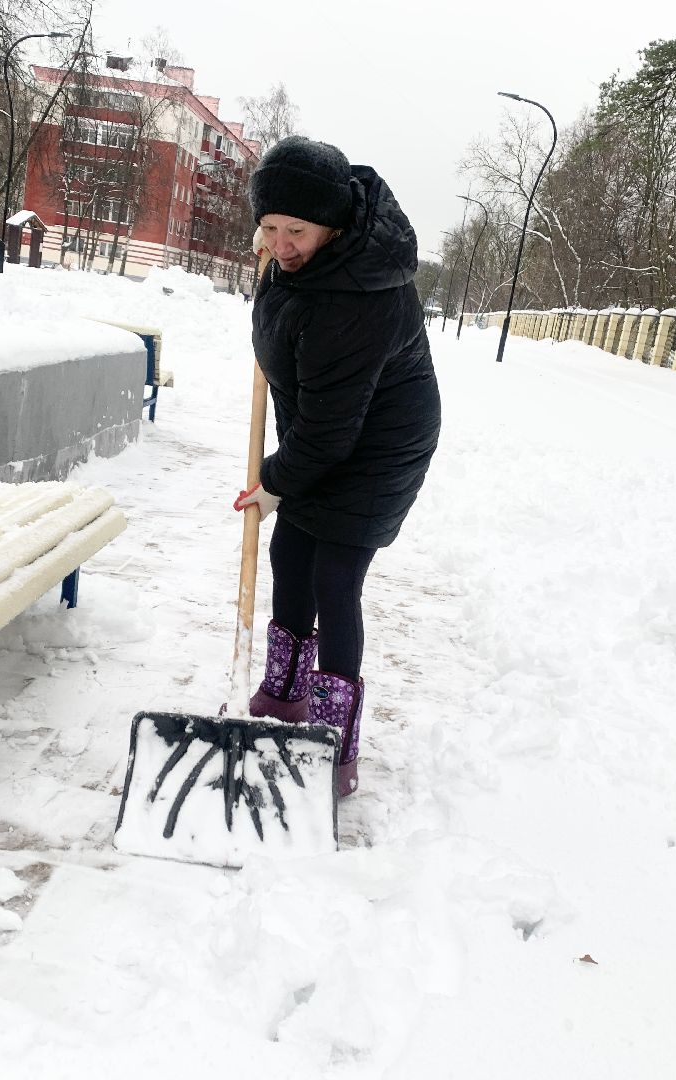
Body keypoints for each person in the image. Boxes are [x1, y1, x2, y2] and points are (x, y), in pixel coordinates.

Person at [233, 136, 441, 798]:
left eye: (296, 229)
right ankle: (285, 692)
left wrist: (274, 480)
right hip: (326, 427)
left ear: (334, 223)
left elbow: (330, 434)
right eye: (269, 226)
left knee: (333, 574)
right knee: (291, 553)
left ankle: (332, 740)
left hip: (381, 446)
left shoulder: (363, 295)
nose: (280, 242)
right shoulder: (292, 261)